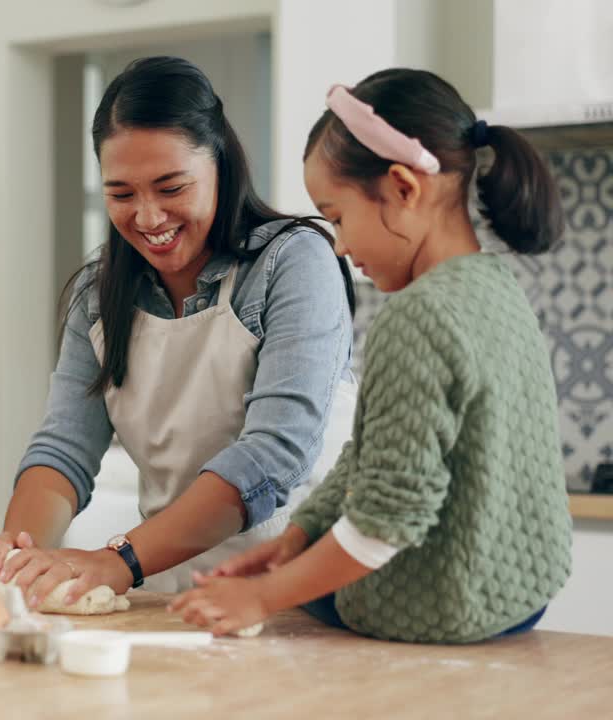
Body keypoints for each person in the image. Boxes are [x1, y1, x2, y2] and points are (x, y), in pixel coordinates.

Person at [0, 56, 358, 608]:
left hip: (296, 595)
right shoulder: (99, 294)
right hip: (167, 592)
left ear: (221, 166)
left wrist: (120, 560)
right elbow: (64, 448)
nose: (148, 216)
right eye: (121, 194)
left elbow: (273, 453)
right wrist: (15, 554)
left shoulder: (292, 262)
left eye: (171, 187)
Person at [174, 69, 572, 643]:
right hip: (520, 597)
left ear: (405, 188)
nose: (337, 245)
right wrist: (299, 536)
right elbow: (374, 452)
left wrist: (261, 595)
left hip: (441, 603)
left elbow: (387, 520)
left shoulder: (418, 318)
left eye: (336, 217)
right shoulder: (496, 286)